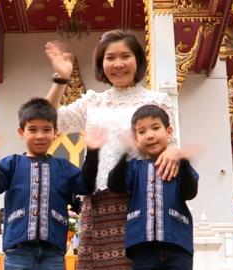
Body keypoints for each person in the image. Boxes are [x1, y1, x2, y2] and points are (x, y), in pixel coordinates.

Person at [45, 29, 182, 269]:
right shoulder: (93, 102)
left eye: (125, 56)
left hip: (143, 200)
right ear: (101, 64)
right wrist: (61, 79)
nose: (118, 64)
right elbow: (47, 119)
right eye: (110, 58)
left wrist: (174, 150)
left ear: (138, 60)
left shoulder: (157, 101)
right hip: (98, 203)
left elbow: (170, 142)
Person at [0, 98, 103, 270]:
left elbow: (86, 186)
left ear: (56, 132)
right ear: (21, 132)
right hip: (17, 251)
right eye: (32, 130)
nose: (40, 136)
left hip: (53, 253)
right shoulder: (12, 163)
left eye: (46, 130)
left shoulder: (63, 167)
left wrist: (93, 153)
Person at [107, 105, 199, 270]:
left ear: (169, 131)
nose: (149, 135)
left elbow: (190, 192)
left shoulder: (179, 166)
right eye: (142, 132)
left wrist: (183, 160)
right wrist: (124, 154)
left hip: (177, 244)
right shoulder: (134, 167)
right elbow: (115, 185)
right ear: (136, 139)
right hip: (142, 247)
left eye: (155, 128)